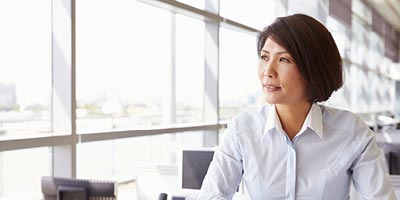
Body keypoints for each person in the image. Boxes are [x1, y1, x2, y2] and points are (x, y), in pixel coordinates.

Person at [198, 14, 396, 200]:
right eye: (265, 57)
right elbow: (211, 195)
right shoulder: (242, 130)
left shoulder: (352, 132)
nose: (268, 71)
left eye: (284, 59)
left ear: (314, 69)